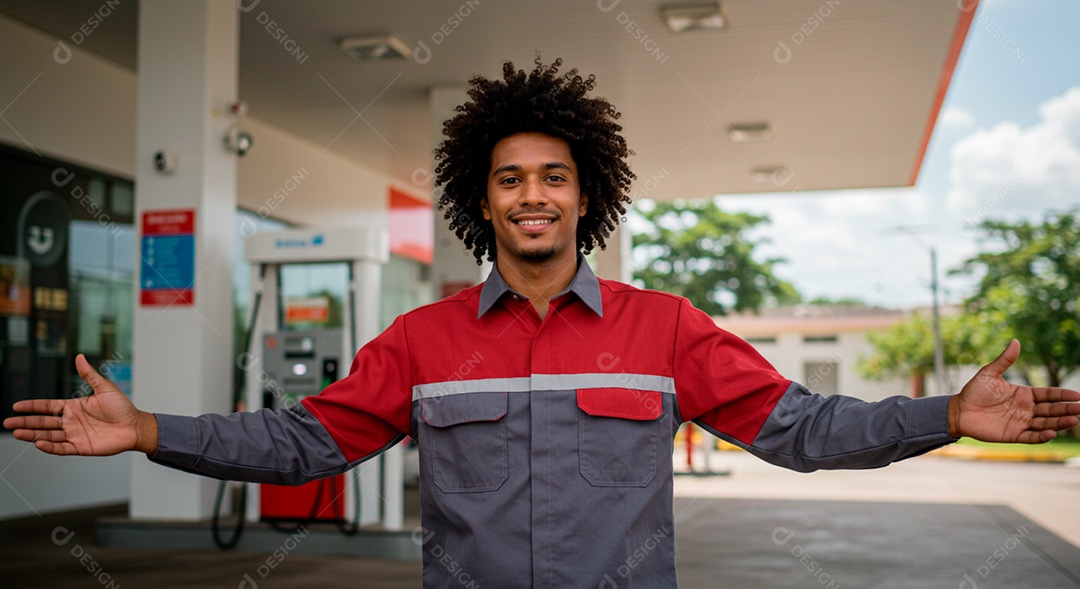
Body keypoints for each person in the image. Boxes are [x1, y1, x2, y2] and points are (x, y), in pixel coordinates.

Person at [5, 57, 1080, 589]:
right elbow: (303, 442)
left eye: (553, 176)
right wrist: (151, 430)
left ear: (585, 194)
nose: (532, 194)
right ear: (481, 202)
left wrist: (946, 414)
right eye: (510, 178)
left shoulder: (665, 328)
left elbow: (804, 428)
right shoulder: (422, 341)